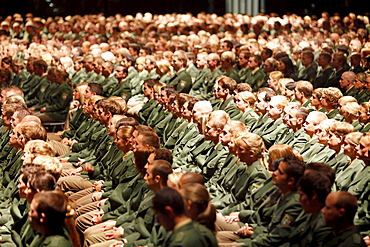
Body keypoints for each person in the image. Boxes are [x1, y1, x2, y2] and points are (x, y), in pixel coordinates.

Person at [152, 187, 218, 247]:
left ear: (169, 211)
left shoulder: (178, 243)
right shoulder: (205, 232)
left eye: (158, 216)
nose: (158, 221)